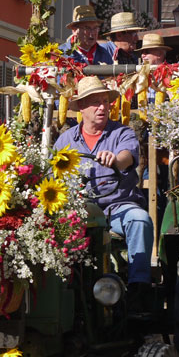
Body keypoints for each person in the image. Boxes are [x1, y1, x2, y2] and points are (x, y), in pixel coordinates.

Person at [53, 77, 152, 301]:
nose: (102, 107)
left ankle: (139, 287)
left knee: (139, 219)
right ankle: (63, 288)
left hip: (117, 207)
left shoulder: (121, 133)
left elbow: (128, 156)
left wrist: (116, 159)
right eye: (95, 102)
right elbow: (54, 175)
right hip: (80, 211)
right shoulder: (65, 140)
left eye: (105, 102)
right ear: (81, 108)